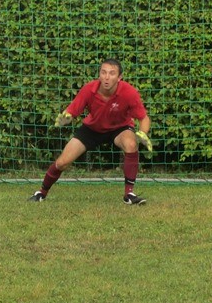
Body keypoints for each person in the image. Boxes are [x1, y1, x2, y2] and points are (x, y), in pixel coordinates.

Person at [28, 58, 152, 205]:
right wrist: (66, 117)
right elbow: (72, 111)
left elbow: (144, 118)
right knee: (62, 162)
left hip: (120, 128)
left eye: (112, 73)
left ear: (119, 77)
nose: (107, 77)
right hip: (92, 129)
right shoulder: (89, 89)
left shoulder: (129, 92)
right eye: (103, 72)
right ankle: (41, 193)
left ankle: (129, 194)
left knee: (131, 144)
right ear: (99, 74)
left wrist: (143, 133)